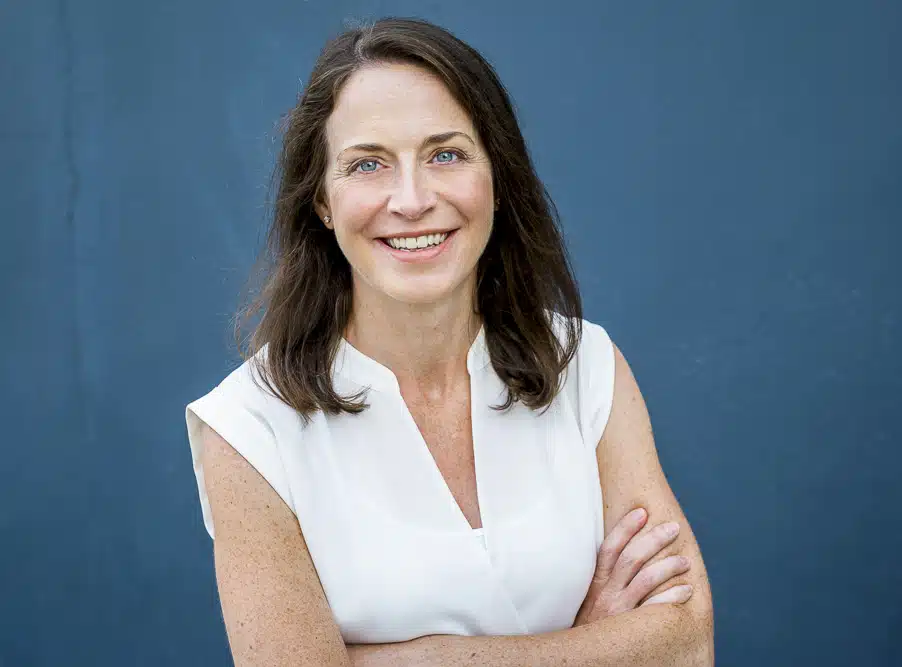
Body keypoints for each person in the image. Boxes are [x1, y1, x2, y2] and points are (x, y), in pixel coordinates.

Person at [185, 17, 713, 666]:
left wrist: (417, 657)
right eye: (368, 164)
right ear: (321, 200)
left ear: (496, 177)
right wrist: (589, 642)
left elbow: (686, 643)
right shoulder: (249, 430)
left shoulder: (585, 366)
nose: (412, 199)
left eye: (445, 154)